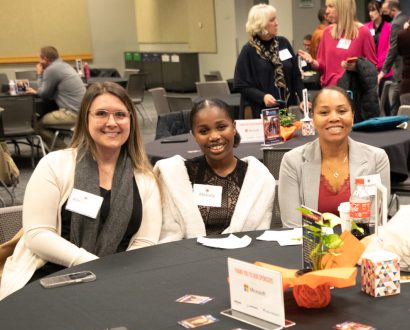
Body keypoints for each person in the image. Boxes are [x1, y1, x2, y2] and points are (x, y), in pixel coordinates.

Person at [0, 82, 162, 300]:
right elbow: (37, 234)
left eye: (120, 115)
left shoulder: (145, 178)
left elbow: (145, 242)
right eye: (101, 114)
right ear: (86, 119)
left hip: (117, 279)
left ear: (131, 121)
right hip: (49, 275)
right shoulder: (55, 165)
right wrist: (92, 265)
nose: (111, 122)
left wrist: (120, 275)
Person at [155, 99, 275, 242]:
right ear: (194, 135)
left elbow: (260, 233)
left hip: (242, 257)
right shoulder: (177, 177)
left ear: (234, 127)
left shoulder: (258, 179)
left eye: (221, 127)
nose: (214, 137)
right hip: (189, 258)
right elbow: (169, 233)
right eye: (204, 131)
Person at [278, 87, 390, 227]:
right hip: (312, 247)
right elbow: (292, 227)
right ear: (313, 118)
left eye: (342, 111)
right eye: (324, 112)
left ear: (353, 115)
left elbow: (375, 224)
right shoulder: (293, 162)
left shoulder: (376, 159)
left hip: (363, 245)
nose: (334, 118)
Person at [232, 4, 303, 119]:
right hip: (263, 112)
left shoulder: (283, 43)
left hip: (288, 108)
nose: (276, 23)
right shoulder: (249, 50)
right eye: (272, 20)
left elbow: (296, 75)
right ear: (261, 24)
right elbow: (240, 85)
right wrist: (262, 97)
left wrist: (303, 99)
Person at [298, 0, 377, 88]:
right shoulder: (327, 32)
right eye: (326, 7)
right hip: (329, 91)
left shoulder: (363, 32)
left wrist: (356, 66)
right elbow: (322, 65)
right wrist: (312, 61)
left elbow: (372, 68)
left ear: (343, 8)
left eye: (331, 6)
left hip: (352, 93)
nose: (327, 11)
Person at [25, 46, 86, 149]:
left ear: (45, 59)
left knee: (37, 125)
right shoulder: (64, 65)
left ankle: (64, 151)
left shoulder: (52, 69)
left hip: (72, 113)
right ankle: (65, 147)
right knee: (48, 122)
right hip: (82, 111)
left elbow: (43, 93)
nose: (39, 62)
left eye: (40, 59)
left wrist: (39, 74)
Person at [377, 0, 408, 116]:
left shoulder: (396, 23)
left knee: (395, 106)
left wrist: (383, 71)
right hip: (407, 68)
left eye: (386, 11)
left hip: (399, 70)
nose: (385, 14)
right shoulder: (406, 19)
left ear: (393, 10)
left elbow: (393, 49)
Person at [365, 1, 392, 87]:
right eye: (369, 11)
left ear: (380, 11)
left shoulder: (389, 27)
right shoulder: (365, 28)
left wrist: (378, 64)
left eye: (373, 10)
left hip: (385, 71)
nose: (370, 13)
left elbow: (389, 50)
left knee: (385, 99)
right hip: (369, 71)